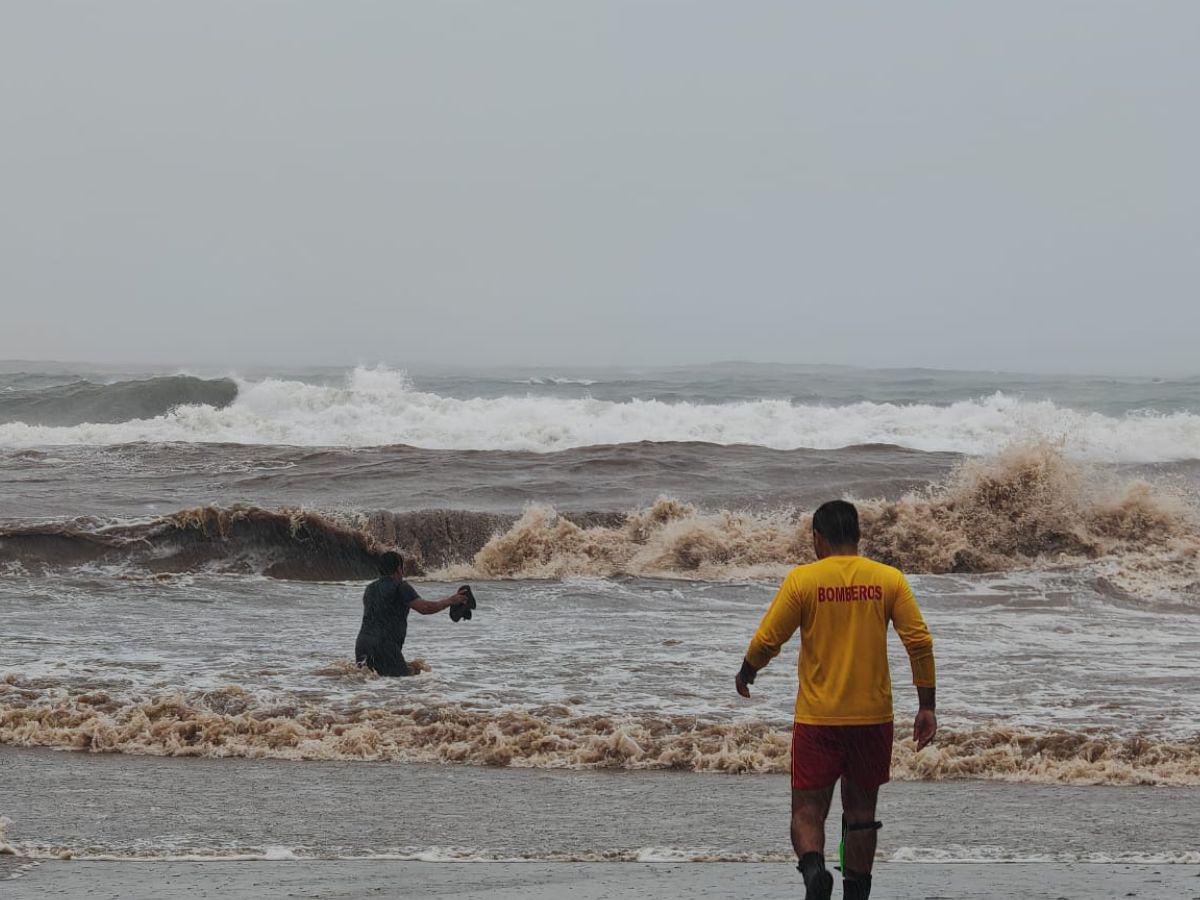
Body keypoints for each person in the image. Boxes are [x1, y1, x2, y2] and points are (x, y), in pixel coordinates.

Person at [735, 500, 936, 900]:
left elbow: (768, 640)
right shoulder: (888, 579)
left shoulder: (803, 581)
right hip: (872, 717)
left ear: (818, 538)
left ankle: (814, 872)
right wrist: (926, 704)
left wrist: (748, 671)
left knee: (808, 810)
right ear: (858, 537)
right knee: (861, 814)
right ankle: (855, 895)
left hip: (818, 719)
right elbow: (919, 641)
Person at [355, 551, 470, 676]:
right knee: (407, 683)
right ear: (399, 569)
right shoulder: (401, 587)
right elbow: (425, 608)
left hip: (362, 646)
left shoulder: (370, 589)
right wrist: (451, 600)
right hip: (385, 647)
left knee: (370, 681)